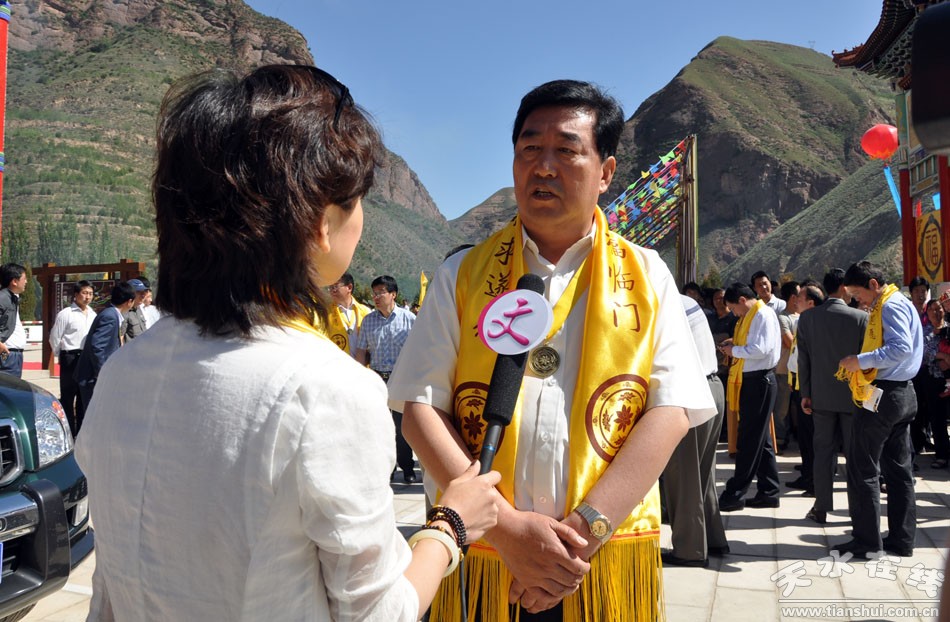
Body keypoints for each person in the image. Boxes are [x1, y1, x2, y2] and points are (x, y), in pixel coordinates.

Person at [75, 65, 500, 621]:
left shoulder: (124, 371)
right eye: (358, 201)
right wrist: (450, 527)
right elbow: (379, 613)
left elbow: (108, 594)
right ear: (321, 222)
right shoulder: (328, 389)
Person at [390, 79, 715, 622]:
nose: (543, 167)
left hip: (596, 562)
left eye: (566, 150)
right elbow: (420, 406)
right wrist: (506, 530)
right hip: (487, 556)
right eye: (529, 149)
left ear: (606, 172)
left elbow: (672, 409)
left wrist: (579, 538)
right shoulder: (462, 274)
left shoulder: (646, 274)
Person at [833, 261, 922, 558]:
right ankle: (902, 539)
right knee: (898, 471)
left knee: (863, 467)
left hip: (885, 394)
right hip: (902, 392)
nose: (859, 301)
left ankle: (867, 541)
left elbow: (901, 348)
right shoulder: (897, 301)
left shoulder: (890, 306)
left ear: (873, 284)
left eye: (858, 294)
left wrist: (859, 361)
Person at [660, 295, 729, 567]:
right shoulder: (685, 301)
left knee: (683, 475)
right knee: (703, 474)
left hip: (690, 393)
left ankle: (690, 550)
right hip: (712, 387)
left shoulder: (661, 301)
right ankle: (712, 539)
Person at [796, 270, 866, 525]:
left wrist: (806, 393)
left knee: (823, 452)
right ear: (844, 287)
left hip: (820, 396)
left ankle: (822, 507)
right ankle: (858, 509)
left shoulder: (808, 318)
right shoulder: (860, 318)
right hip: (852, 396)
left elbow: (803, 360)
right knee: (854, 454)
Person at [718, 282, 781, 511]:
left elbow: (761, 349)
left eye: (734, 308)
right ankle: (769, 490)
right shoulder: (752, 315)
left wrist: (733, 350)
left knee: (748, 439)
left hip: (759, 381)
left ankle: (735, 493)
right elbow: (753, 344)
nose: (735, 313)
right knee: (761, 440)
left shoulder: (761, 315)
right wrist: (734, 344)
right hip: (753, 380)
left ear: (742, 300)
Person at [356, 275, 417, 482]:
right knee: (381, 426)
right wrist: (360, 376)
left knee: (401, 427)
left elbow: (419, 350)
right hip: (377, 380)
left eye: (381, 292)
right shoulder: (368, 321)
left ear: (393, 294)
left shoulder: (409, 319)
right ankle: (387, 469)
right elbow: (362, 350)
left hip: (401, 379)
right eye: (374, 293)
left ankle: (407, 468)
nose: (376, 297)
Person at [74, 281, 136, 415]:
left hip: (93, 377)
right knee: (95, 416)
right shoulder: (110, 317)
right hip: (92, 378)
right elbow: (97, 347)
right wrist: (103, 373)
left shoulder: (110, 314)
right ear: (129, 301)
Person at [48, 280, 96, 435]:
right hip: (70, 357)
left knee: (83, 396)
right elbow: (55, 337)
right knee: (68, 397)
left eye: (90, 293)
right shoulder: (66, 314)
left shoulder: (93, 314)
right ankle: (68, 431)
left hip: (86, 358)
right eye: (84, 293)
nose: (87, 297)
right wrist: (61, 355)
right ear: (76, 294)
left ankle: (81, 432)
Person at [326, 272, 371, 356]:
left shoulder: (366, 312)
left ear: (349, 287)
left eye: (335, 286)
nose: (332, 290)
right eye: (330, 287)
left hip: (361, 362)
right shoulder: (326, 312)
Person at [0, 264, 28, 378]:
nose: (26, 282)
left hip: (14, 355)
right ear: (14, 281)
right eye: (24, 278)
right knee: (7, 386)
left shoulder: (11, 298)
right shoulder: (3, 298)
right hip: (6, 354)